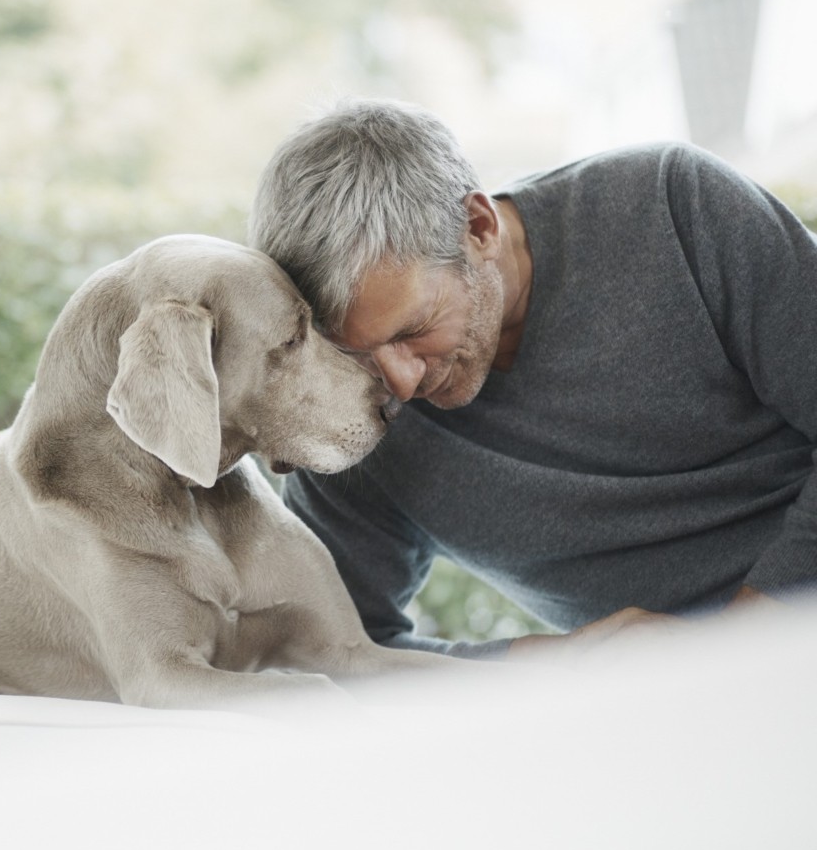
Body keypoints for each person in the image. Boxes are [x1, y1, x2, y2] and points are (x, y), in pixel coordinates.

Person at [248, 98, 817, 660]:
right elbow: (332, 652)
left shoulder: (675, 207)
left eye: (413, 328)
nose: (396, 383)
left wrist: (740, 646)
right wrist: (550, 664)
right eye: (359, 354)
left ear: (478, 227)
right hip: (671, 712)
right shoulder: (346, 418)